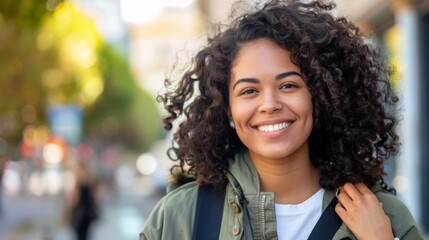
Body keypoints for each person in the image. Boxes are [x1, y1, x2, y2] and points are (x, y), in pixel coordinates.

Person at [140, 0, 424, 239]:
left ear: (319, 95)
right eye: (249, 91)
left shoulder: (383, 216)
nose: (269, 105)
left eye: (288, 85)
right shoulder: (180, 217)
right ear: (227, 108)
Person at [69, 163, 99, 240]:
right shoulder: (77, 186)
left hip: (85, 215)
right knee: (81, 234)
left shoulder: (90, 186)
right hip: (79, 214)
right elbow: (74, 200)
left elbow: (93, 199)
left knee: (84, 235)